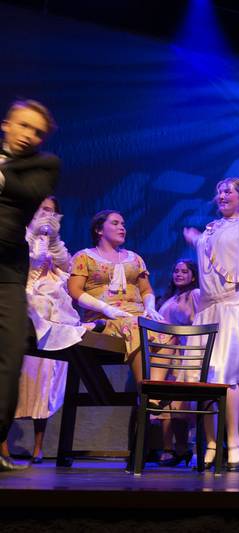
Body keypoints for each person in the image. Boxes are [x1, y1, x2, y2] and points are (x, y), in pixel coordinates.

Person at [0, 196, 97, 464]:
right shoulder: (16, 233)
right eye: (43, 209)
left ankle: (39, 446)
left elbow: (64, 264)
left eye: (52, 211)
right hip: (22, 297)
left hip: (50, 305)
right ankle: (4, 446)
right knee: (12, 381)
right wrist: (32, 234)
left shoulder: (54, 240)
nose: (47, 215)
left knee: (43, 382)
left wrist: (52, 240)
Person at [184, 177, 239, 471]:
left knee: (228, 374)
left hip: (236, 303)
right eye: (219, 190)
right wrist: (195, 238)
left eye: (228, 191)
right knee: (206, 378)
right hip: (209, 307)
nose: (222, 195)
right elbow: (210, 256)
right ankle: (210, 443)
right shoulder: (210, 229)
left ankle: (233, 443)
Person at [0, 99, 60, 472]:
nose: (29, 136)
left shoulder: (44, 165)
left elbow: (25, 193)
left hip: (6, 268)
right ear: (6, 124)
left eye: (37, 132)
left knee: (8, 354)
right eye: (23, 126)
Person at [68, 210, 168, 384]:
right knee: (136, 327)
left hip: (136, 315)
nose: (122, 227)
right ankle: (147, 394)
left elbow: (146, 290)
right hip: (103, 319)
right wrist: (105, 308)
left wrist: (150, 307)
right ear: (99, 230)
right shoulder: (85, 257)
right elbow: (75, 291)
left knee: (167, 330)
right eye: (115, 223)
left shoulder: (135, 258)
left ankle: (153, 396)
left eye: (123, 224)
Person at [155, 258, 200, 468]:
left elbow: (198, 321)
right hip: (166, 353)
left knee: (180, 405)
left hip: (184, 352)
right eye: (176, 270)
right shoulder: (170, 297)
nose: (179, 274)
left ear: (193, 275)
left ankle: (184, 448)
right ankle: (175, 449)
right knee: (169, 405)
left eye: (184, 271)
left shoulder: (195, 295)